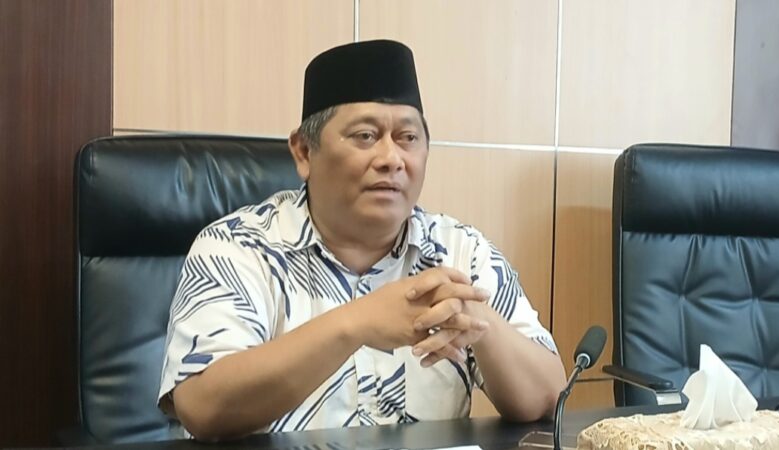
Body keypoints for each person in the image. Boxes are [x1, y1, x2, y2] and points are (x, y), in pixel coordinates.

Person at [158, 39, 566, 441]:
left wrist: (477, 319)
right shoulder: (237, 248)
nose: (391, 159)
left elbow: (549, 399)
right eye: (365, 136)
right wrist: (356, 323)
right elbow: (203, 407)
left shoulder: (461, 250)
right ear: (304, 152)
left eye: (408, 138)